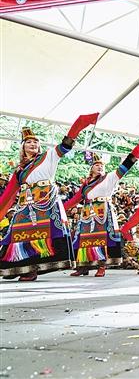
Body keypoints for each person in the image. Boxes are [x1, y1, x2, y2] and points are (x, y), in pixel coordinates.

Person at [0, 114, 99, 281]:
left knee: (42, 236)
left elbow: (66, 145)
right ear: (23, 147)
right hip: (25, 205)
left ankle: (32, 270)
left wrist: (80, 124)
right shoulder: (19, 170)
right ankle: (17, 266)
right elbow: (8, 194)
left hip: (46, 203)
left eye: (36, 142)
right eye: (29, 142)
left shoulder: (48, 156)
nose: (33, 144)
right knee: (19, 234)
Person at [66, 142, 139, 277]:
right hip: (87, 214)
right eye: (97, 165)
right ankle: (83, 267)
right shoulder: (86, 185)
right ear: (91, 168)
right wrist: (60, 208)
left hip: (103, 211)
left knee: (102, 239)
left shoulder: (109, 178)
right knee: (84, 239)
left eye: (102, 165)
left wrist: (137, 151)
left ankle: (101, 266)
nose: (100, 167)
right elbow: (75, 200)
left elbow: (125, 166)